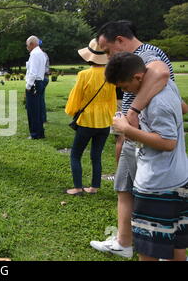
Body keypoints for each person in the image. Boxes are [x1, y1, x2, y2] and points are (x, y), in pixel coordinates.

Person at [90, 20, 177, 258]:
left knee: (136, 193)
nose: (108, 57)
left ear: (120, 40)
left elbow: (160, 73)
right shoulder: (139, 57)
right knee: (128, 190)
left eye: (108, 51)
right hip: (134, 137)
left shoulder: (146, 53)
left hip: (143, 138)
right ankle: (127, 240)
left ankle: (131, 243)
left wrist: (133, 112)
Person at [106, 52, 188, 261]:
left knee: (148, 250)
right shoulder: (165, 85)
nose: (126, 92)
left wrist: (126, 129)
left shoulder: (157, 103)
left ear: (139, 78)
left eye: (125, 87)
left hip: (156, 185)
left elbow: (168, 142)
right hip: (178, 179)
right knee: (176, 244)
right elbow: (159, 69)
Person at [64, 39, 116, 195]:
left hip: (86, 120)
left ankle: (78, 187)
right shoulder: (110, 75)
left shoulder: (84, 75)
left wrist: (72, 111)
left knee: (75, 155)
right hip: (105, 121)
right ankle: (94, 187)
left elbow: (75, 97)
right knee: (96, 156)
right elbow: (112, 100)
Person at [25, 36, 47, 139]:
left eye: (27, 45)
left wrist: (28, 86)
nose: (27, 47)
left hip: (34, 84)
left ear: (32, 44)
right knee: (38, 110)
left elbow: (32, 73)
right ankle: (40, 132)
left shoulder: (34, 54)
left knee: (32, 110)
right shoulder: (41, 53)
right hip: (40, 82)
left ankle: (35, 134)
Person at [40, 39, 50, 123]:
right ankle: (42, 118)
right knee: (40, 98)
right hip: (44, 77)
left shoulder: (41, 55)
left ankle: (42, 118)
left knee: (40, 99)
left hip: (42, 78)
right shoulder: (43, 54)